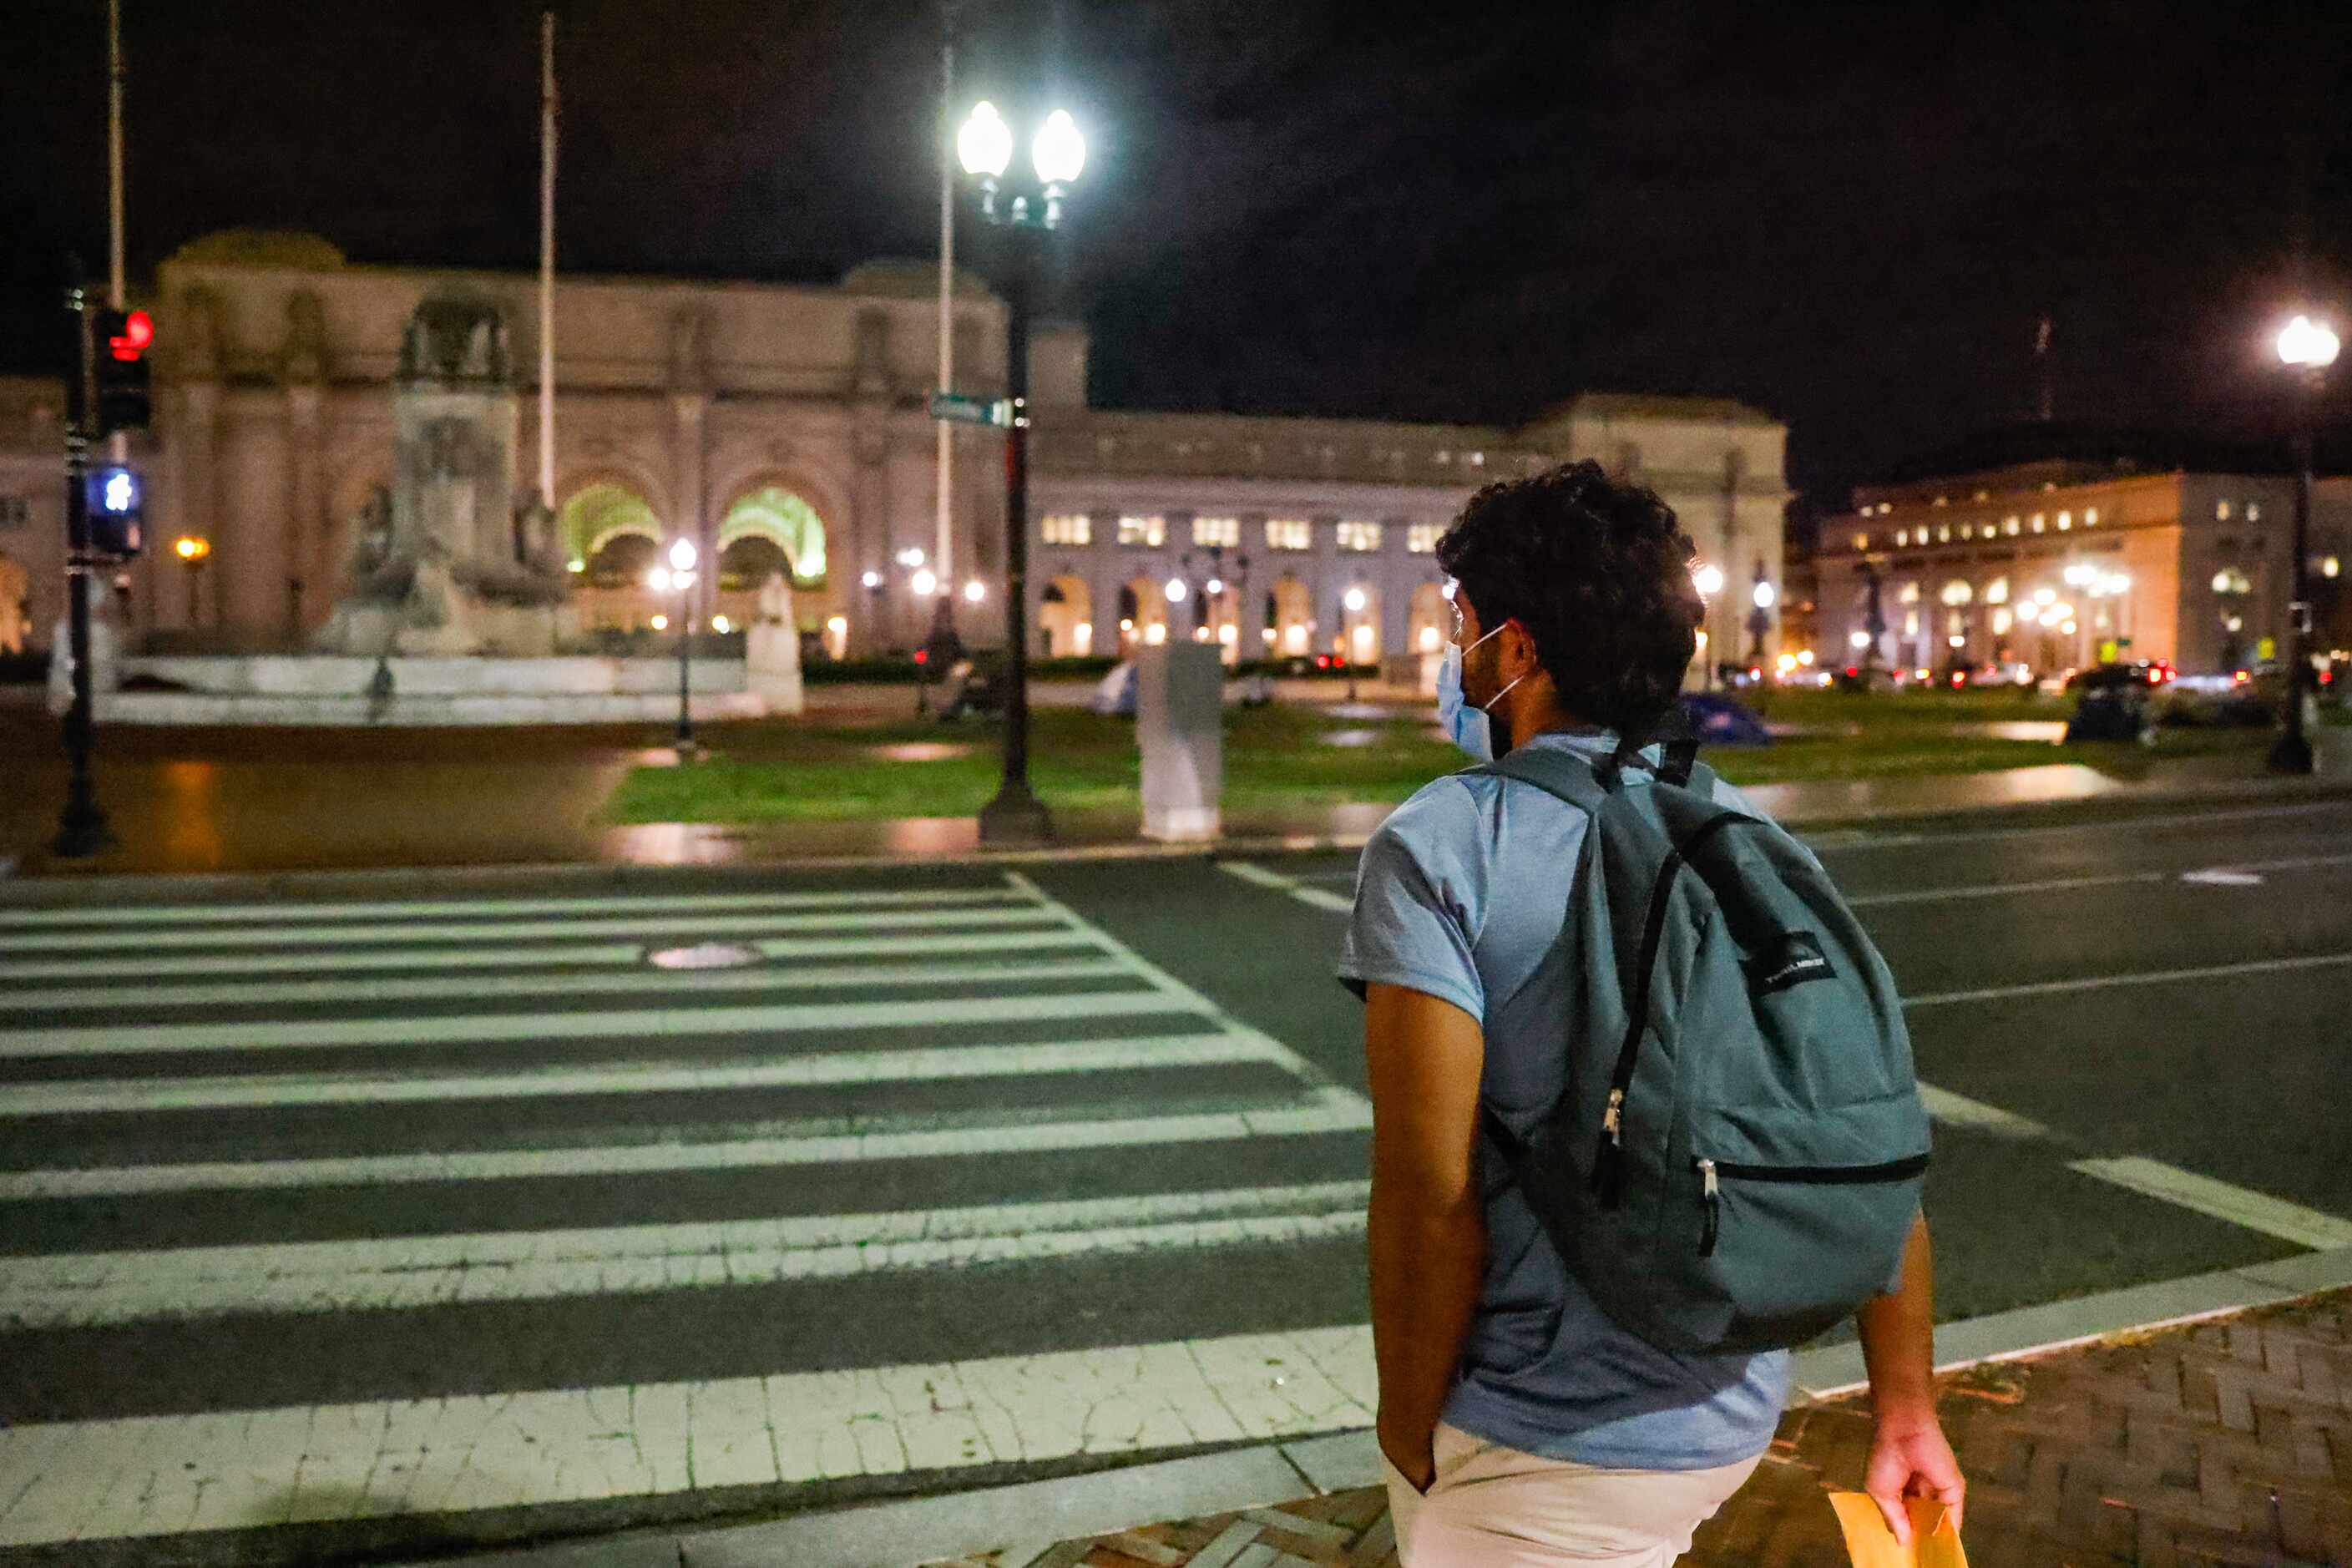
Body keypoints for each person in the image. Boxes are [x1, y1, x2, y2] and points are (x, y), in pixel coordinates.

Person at [1340, 462, 1963, 1566]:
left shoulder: (1442, 846)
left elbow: (1428, 1198)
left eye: (1461, 625)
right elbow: (1862, 1130)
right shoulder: (1740, 830)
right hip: (1726, 1401)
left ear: (1516, 650)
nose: (1451, 653)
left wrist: (1404, 1426)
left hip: (1539, 1438)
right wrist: (1903, 1407)